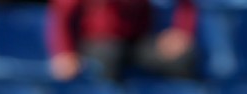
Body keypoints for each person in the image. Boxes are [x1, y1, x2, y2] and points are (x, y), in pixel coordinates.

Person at [47, 0, 196, 82]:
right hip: (99, 43)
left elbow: (186, 5)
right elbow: (62, 15)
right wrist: (64, 51)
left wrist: (181, 32)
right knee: (109, 56)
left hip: (139, 41)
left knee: (182, 59)